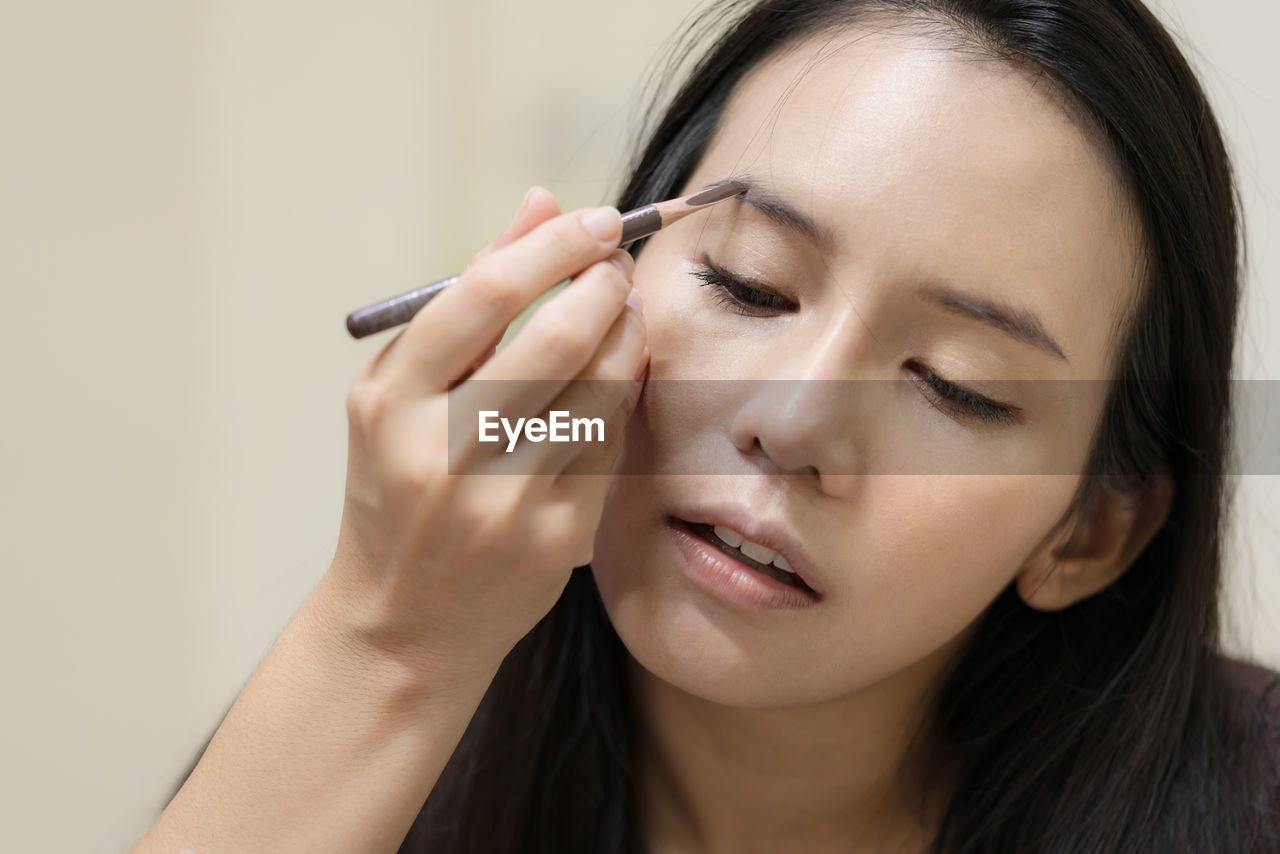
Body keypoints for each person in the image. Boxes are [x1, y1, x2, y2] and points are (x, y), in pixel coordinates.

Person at [132, 1, 1280, 852]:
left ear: (1089, 531)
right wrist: (384, 641)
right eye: (746, 285)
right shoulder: (385, 758)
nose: (788, 423)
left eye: (953, 384)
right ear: (605, 283)